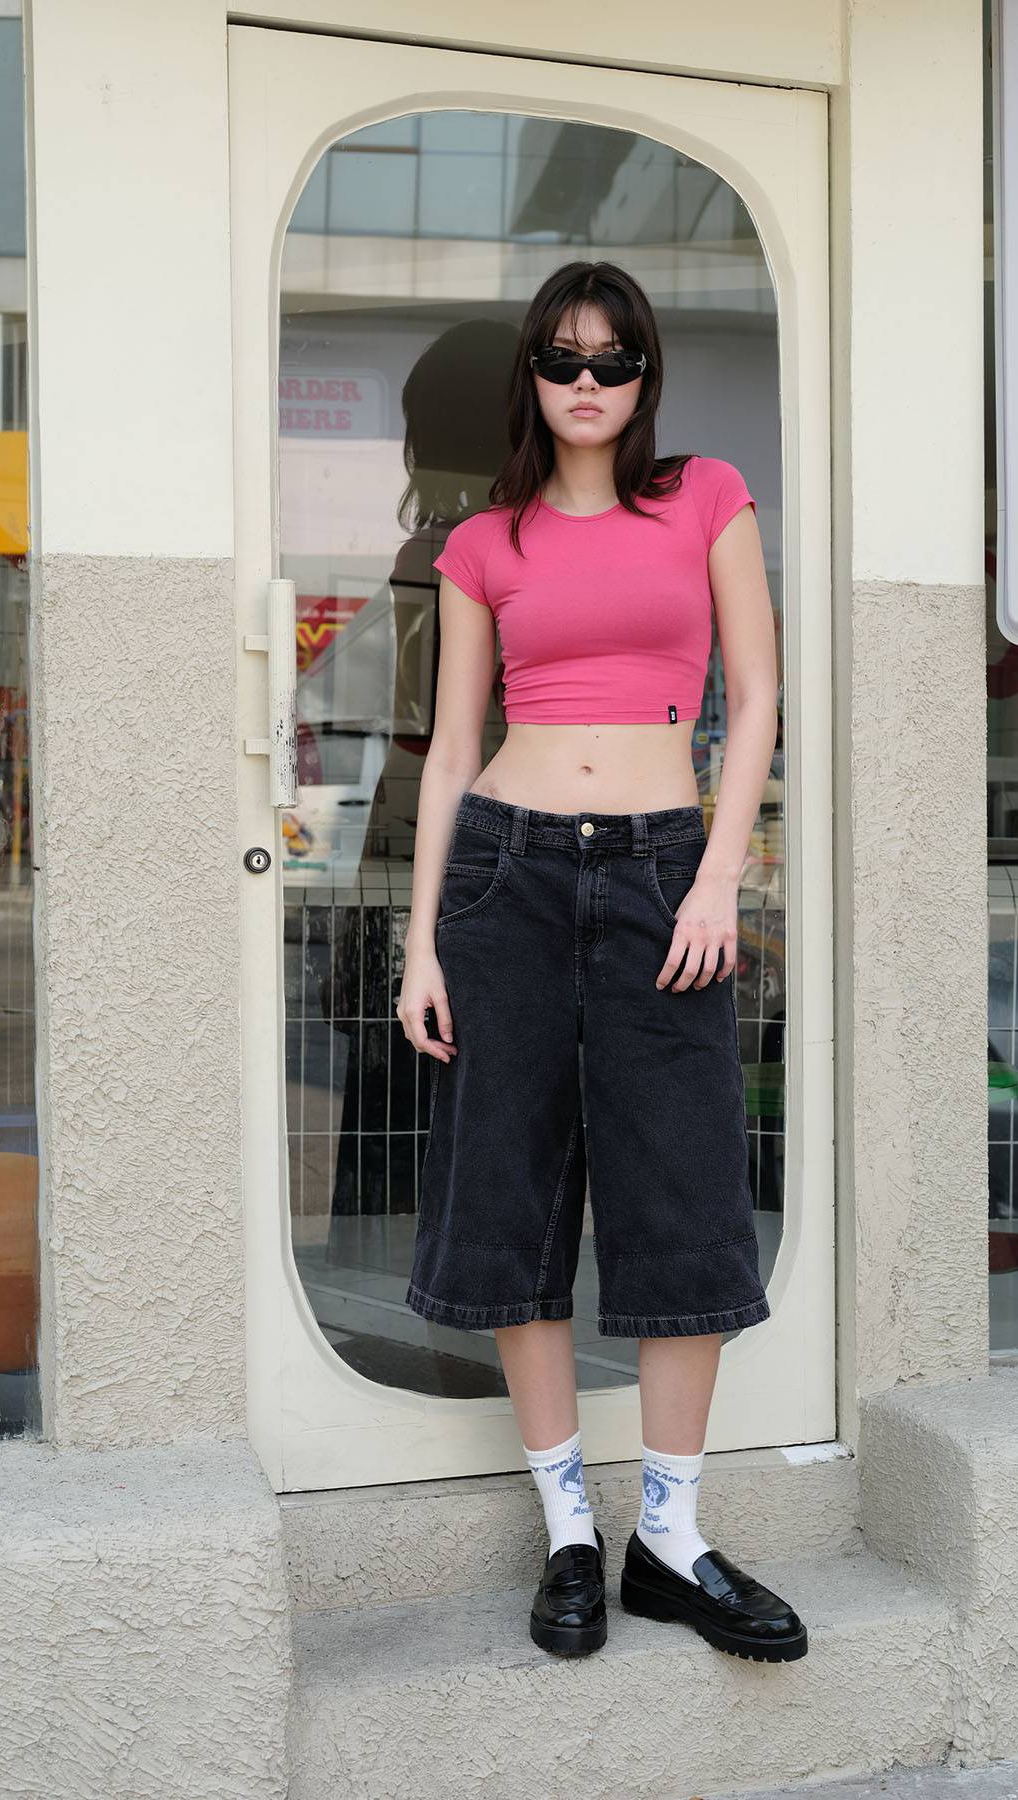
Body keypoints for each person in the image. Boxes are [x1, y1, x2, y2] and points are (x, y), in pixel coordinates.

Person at [397, 260, 807, 1665]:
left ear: (645, 379)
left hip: (655, 872)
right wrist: (419, 945)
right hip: (506, 873)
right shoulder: (483, 542)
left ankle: (673, 1542)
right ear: (532, 375)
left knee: (684, 1190)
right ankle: (570, 1527)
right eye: (562, 361)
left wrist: (714, 876)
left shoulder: (706, 498)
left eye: (614, 360)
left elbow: (754, 699)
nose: (588, 385)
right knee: (510, 1193)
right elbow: (451, 751)